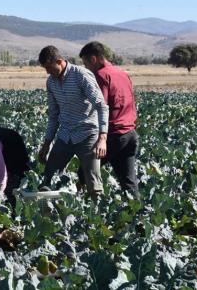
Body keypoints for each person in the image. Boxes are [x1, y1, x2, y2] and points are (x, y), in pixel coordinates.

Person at [37, 45, 108, 200]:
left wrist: (102, 138)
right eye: (45, 68)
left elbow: (101, 106)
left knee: (93, 182)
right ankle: (51, 214)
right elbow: (54, 115)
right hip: (65, 134)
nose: (48, 72)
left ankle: (99, 217)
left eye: (49, 67)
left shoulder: (81, 75)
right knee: (49, 176)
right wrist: (47, 143)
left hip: (87, 134)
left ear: (60, 61)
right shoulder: (51, 83)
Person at [79, 41, 140, 199]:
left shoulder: (101, 76)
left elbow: (100, 107)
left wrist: (100, 138)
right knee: (128, 182)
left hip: (113, 135)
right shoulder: (122, 73)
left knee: (85, 170)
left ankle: (83, 209)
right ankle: (138, 216)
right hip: (130, 134)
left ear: (93, 59)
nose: (86, 68)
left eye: (86, 64)